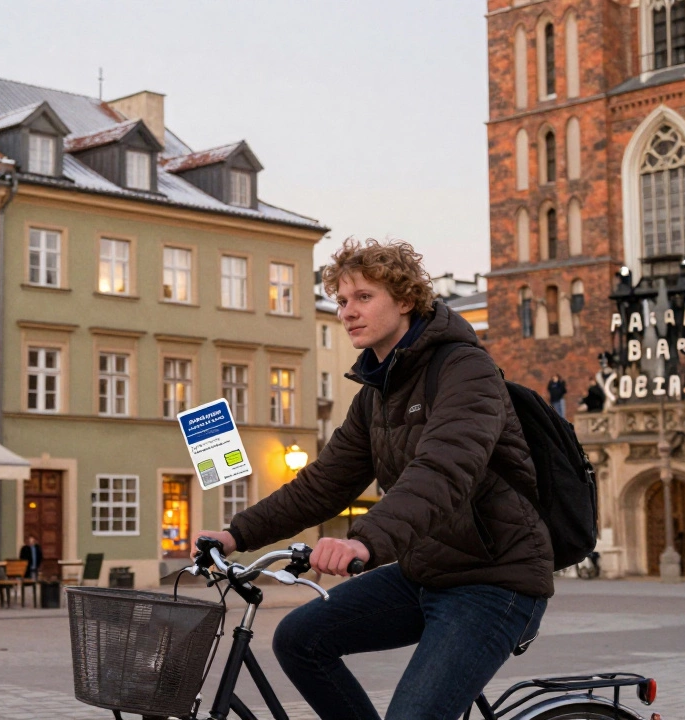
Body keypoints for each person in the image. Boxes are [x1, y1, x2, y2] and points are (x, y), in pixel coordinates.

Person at [198, 238, 551, 720]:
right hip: (424, 573)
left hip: (493, 582)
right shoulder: (376, 392)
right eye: (342, 301)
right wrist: (236, 534)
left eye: (364, 297)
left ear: (405, 300)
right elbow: (324, 483)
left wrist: (363, 543)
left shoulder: (466, 370)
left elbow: (443, 471)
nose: (347, 312)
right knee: (299, 639)